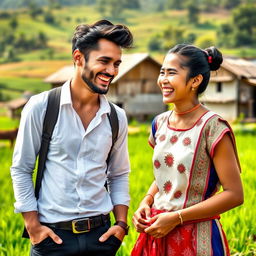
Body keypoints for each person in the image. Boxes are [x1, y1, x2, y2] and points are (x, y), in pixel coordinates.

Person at [11, 20, 133, 256]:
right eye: (104, 61)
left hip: (102, 238)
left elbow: (118, 174)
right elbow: (21, 169)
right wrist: (33, 226)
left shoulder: (116, 117)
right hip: (52, 240)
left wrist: (120, 224)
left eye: (117, 64)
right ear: (78, 58)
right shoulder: (42, 107)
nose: (112, 71)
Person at [131, 44, 243, 256]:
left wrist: (176, 218)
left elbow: (234, 194)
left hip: (197, 238)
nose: (163, 79)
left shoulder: (213, 127)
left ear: (195, 80)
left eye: (171, 73)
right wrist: (146, 201)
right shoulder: (159, 123)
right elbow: (167, 177)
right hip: (157, 231)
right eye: (162, 72)